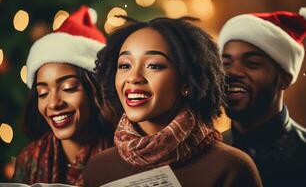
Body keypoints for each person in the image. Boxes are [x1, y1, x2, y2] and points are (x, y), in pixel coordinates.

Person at [84, 17, 263, 187]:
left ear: (187, 82)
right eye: (125, 65)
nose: (133, 77)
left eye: (153, 65)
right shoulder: (99, 168)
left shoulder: (231, 167)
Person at [12, 6, 114, 186]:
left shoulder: (123, 157)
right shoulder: (27, 159)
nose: (53, 103)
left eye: (68, 87)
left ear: (95, 90)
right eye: (43, 93)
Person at [218, 8, 306, 187]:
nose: (232, 72)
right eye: (225, 63)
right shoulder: (205, 155)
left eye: (252, 64)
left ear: (284, 79)